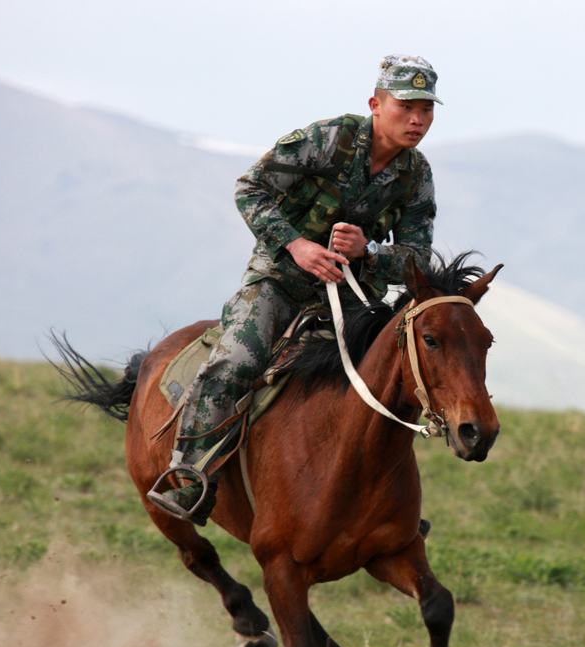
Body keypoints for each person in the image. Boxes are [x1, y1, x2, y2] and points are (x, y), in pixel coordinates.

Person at [148, 54, 442, 521]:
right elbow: (250, 188)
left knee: (389, 381)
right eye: (406, 106)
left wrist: (369, 251)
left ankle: (388, 506)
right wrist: (297, 245)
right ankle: (189, 479)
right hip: (278, 281)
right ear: (375, 104)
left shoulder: (416, 175)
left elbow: (417, 261)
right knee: (236, 363)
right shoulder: (326, 141)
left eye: (426, 109)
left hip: (350, 300)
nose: (417, 119)